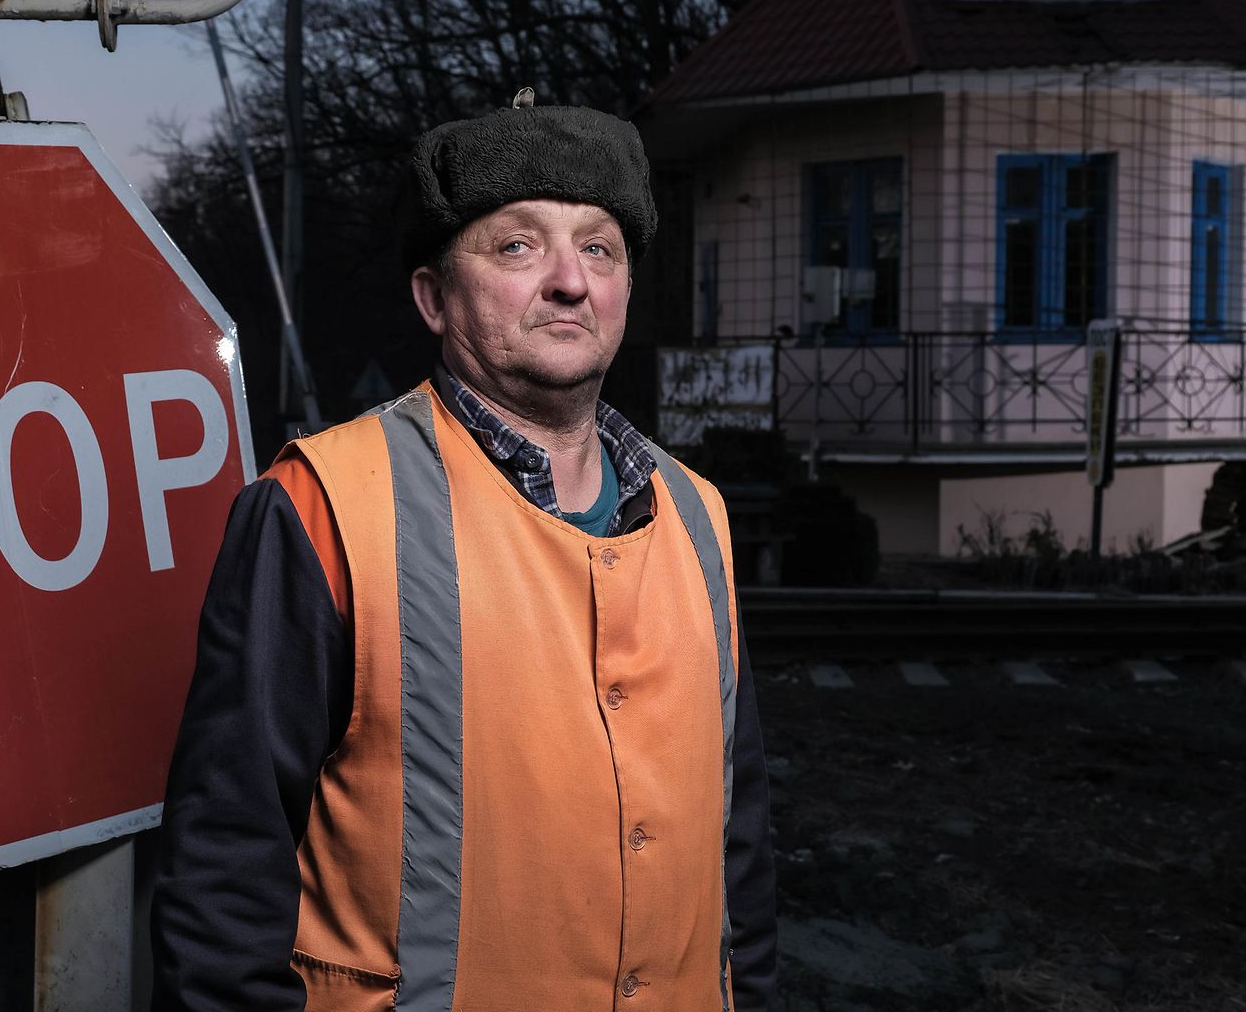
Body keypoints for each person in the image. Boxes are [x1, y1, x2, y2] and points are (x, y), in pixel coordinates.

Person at [149, 92, 777, 1011]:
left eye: (598, 249)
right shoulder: (322, 506)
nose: (570, 281)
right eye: (517, 246)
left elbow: (739, 848)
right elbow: (224, 872)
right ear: (435, 298)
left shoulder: (697, 514)